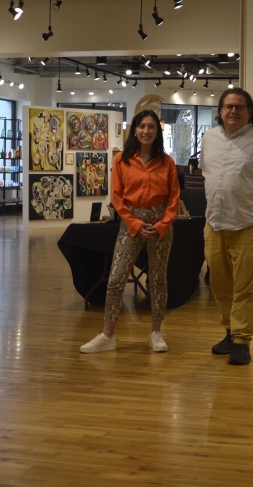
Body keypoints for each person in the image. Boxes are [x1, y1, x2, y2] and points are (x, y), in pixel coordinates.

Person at [80, 110, 181, 354]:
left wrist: (161, 225)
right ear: (134, 130)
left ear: (157, 132)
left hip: (161, 225)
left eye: (151, 127)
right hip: (131, 223)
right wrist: (135, 224)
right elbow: (116, 197)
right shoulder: (121, 160)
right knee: (115, 280)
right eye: (142, 126)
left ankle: (156, 333)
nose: (146, 131)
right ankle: (108, 335)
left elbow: (174, 197)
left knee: (158, 280)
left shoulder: (166, 162)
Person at [200, 89, 253, 365]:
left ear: (250, 112)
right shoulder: (208, 138)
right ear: (220, 111)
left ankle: (241, 340)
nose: (233, 111)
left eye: (239, 107)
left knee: (246, 286)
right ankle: (229, 331)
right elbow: (207, 174)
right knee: (220, 283)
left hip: (249, 224)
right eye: (228, 107)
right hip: (214, 223)